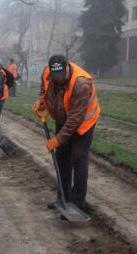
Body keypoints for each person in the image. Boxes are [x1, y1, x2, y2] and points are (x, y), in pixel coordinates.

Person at [33, 55, 101, 218]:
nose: (58, 79)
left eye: (61, 75)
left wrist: (57, 139)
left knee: (78, 157)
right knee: (62, 156)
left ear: (67, 68)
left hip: (83, 121)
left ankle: (78, 204)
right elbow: (44, 88)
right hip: (64, 116)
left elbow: (75, 120)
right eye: (55, 76)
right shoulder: (48, 73)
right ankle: (63, 198)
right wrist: (43, 101)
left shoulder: (81, 84)